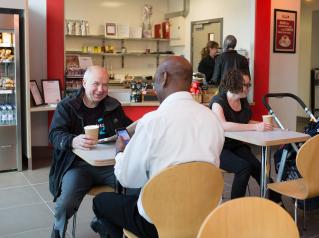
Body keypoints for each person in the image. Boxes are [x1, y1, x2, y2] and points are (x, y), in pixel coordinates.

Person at [91, 56, 225, 238]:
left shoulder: (153, 122)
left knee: (102, 202)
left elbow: (127, 179)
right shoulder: (212, 119)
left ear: (164, 78)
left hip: (158, 223)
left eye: (155, 80)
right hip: (204, 218)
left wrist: (120, 152)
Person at [49, 66, 132, 238]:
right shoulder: (67, 106)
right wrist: (73, 140)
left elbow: (125, 129)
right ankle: (57, 229)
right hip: (77, 165)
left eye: (105, 85)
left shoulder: (113, 106)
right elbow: (54, 135)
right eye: (96, 84)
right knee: (65, 203)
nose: (101, 90)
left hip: (110, 165)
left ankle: (106, 223)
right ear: (84, 83)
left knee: (132, 186)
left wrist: (126, 137)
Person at [209, 69, 272, 199]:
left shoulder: (243, 101)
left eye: (249, 84)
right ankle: (235, 208)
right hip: (218, 148)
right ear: (234, 84)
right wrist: (255, 127)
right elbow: (223, 125)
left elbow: (244, 121)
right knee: (243, 167)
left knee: (259, 168)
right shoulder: (218, 101)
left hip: (235, 145)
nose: (248, 88)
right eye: (246, 85)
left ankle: (276, 201)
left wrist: (265, 125)